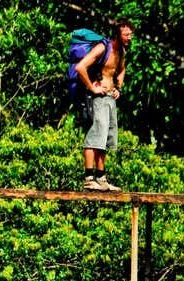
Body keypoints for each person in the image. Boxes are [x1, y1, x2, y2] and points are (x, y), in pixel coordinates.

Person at [75, 19, 135, 192]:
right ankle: (89, 178)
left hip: (109, 98)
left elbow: (121, 69)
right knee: (94, 137)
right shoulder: (102, 47)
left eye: (131, 34)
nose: (129, 37)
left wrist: (118, 88)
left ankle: (101, 179)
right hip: (97, 98)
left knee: (105, 139)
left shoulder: (121, 51)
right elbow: (80, 67)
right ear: (117, 34)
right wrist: (92, 87)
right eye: (126, 34)